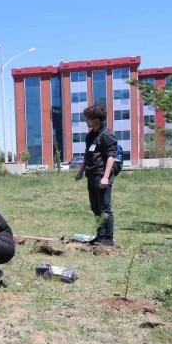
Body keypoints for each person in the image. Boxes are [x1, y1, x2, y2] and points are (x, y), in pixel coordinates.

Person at [75, 104, 117, 246]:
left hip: (102, 175)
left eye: (88, 118)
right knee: (95, 207)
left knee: (105, 207)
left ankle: (108, 238)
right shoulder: (90, 136)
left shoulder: (107, 135)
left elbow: (111, 157)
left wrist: (105, 177)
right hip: (91, 175)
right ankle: (100, 236)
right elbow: (88, 155)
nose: (85, 121)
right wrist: (81, 171)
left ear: (97, 119)